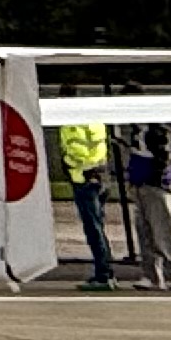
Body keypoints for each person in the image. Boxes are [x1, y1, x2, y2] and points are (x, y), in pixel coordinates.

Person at [125, 125, 171, 291]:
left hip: (154, 184)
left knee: (163, 231)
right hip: (140, 181)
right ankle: (151, 274)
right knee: (144, 231)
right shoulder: (138, 131)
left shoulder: (157, 130)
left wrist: (156, 177)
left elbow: (163, 155)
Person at [57, 120, 119, 290]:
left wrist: (67, 163)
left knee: (93, 229)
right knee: (98, 226)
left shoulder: (71, 125)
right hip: (100, 177)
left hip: (83, 179)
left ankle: (104, 274)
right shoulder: (96, 122)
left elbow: (75, 153)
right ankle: (106, 272)